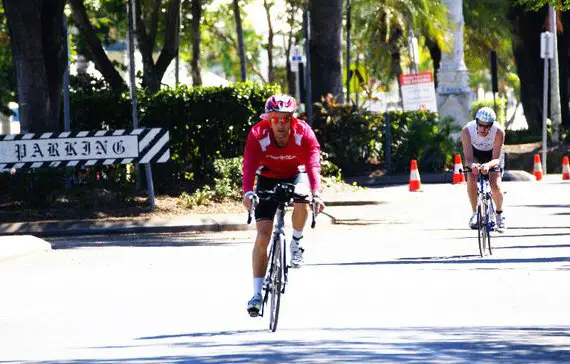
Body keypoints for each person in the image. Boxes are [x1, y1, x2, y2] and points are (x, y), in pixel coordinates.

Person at [242, 94, 326, 317]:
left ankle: (297, 241)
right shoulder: (258, 134)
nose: (280, 125)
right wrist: (248, 192)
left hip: (296, 175)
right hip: (267, 178)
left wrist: (316, 193)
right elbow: (249, 164)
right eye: (275, 120)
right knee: (263, 235)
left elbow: (313, 163)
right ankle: (257, 294)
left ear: (293, 120)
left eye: (285, 119)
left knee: (303, 197)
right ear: (268, 119)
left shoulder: (303, 132)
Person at [461, 106, 506, 231]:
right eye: (480, 125)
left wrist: (488, 165)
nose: (483, 129)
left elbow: (496, 159)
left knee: (495, 185)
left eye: (487, 126)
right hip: (475, 155)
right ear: (476, 122)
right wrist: (473, 166)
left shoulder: (498, 131)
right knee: (471, 177)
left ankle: (499, 214)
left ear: (492, 125)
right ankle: (475, 214)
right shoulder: (467, 131)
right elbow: (469, 158)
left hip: (492, 156)